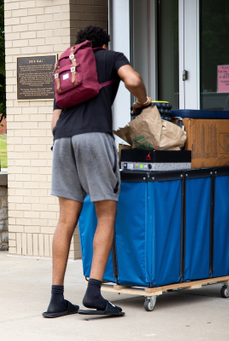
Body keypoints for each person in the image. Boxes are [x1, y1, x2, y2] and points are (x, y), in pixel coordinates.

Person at [43, 26, 150, 318]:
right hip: (94, 137)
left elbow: (54, 123)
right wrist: (143, 102)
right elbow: (133, 79)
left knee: (66, 220)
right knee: (106, 213)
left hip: (63, 140)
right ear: (104, 43)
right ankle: (94, 293)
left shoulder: (69, 69)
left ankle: (56, 300)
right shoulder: (111, 57)